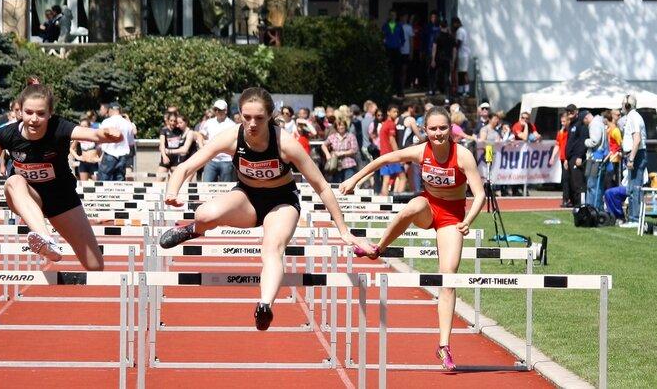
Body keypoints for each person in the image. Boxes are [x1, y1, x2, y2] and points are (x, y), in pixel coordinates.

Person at [160, 86, 374, 329]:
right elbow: (186, 167)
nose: (252, 123)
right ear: (239, 115)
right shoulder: (231, 137)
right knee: (204, 213)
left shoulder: (285, 143)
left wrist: (343, 230)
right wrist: (172, 191)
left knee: (272, 249)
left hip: (282, 202)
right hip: (247, 198)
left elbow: (322, 187)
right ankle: (194, 229)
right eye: (246, 117)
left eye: (259, 118)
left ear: (270, 116)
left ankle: (265, 305)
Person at [341, 105, 488, 373]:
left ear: (450, 130)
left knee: (448, 277)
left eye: (443, 128)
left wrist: (468, 221)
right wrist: (355, 179)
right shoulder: (421, 152)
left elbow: (478, 194)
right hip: (428, 208)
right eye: (433, 129)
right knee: (411, 206)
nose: (438, 133)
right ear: (426, 131)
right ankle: (378, 248)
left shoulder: (463, 155)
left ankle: (444, 346)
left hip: (453, 217)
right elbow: (384, 159)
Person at [0, 84, 126, 263]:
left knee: (94, 264)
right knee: (14, 181)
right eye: (29, 112)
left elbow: (92, 134)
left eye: (41, 114)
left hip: (61, 198)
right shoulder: (7, 133)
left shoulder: (60, 127)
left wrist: (107, 134)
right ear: (20, 111)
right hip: (27, 196)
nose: (34, 119)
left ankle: (52, 251)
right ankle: (45, 239)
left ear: (50, 113)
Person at [96, 102, 134, 180]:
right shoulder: (128, 124)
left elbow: (100, 138)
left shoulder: (106, 122)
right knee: (119, 181)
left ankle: (102, 193)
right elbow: (131, 144)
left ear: (110, 110)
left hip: (109, 154)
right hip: (123, 155)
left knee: (103, 179)